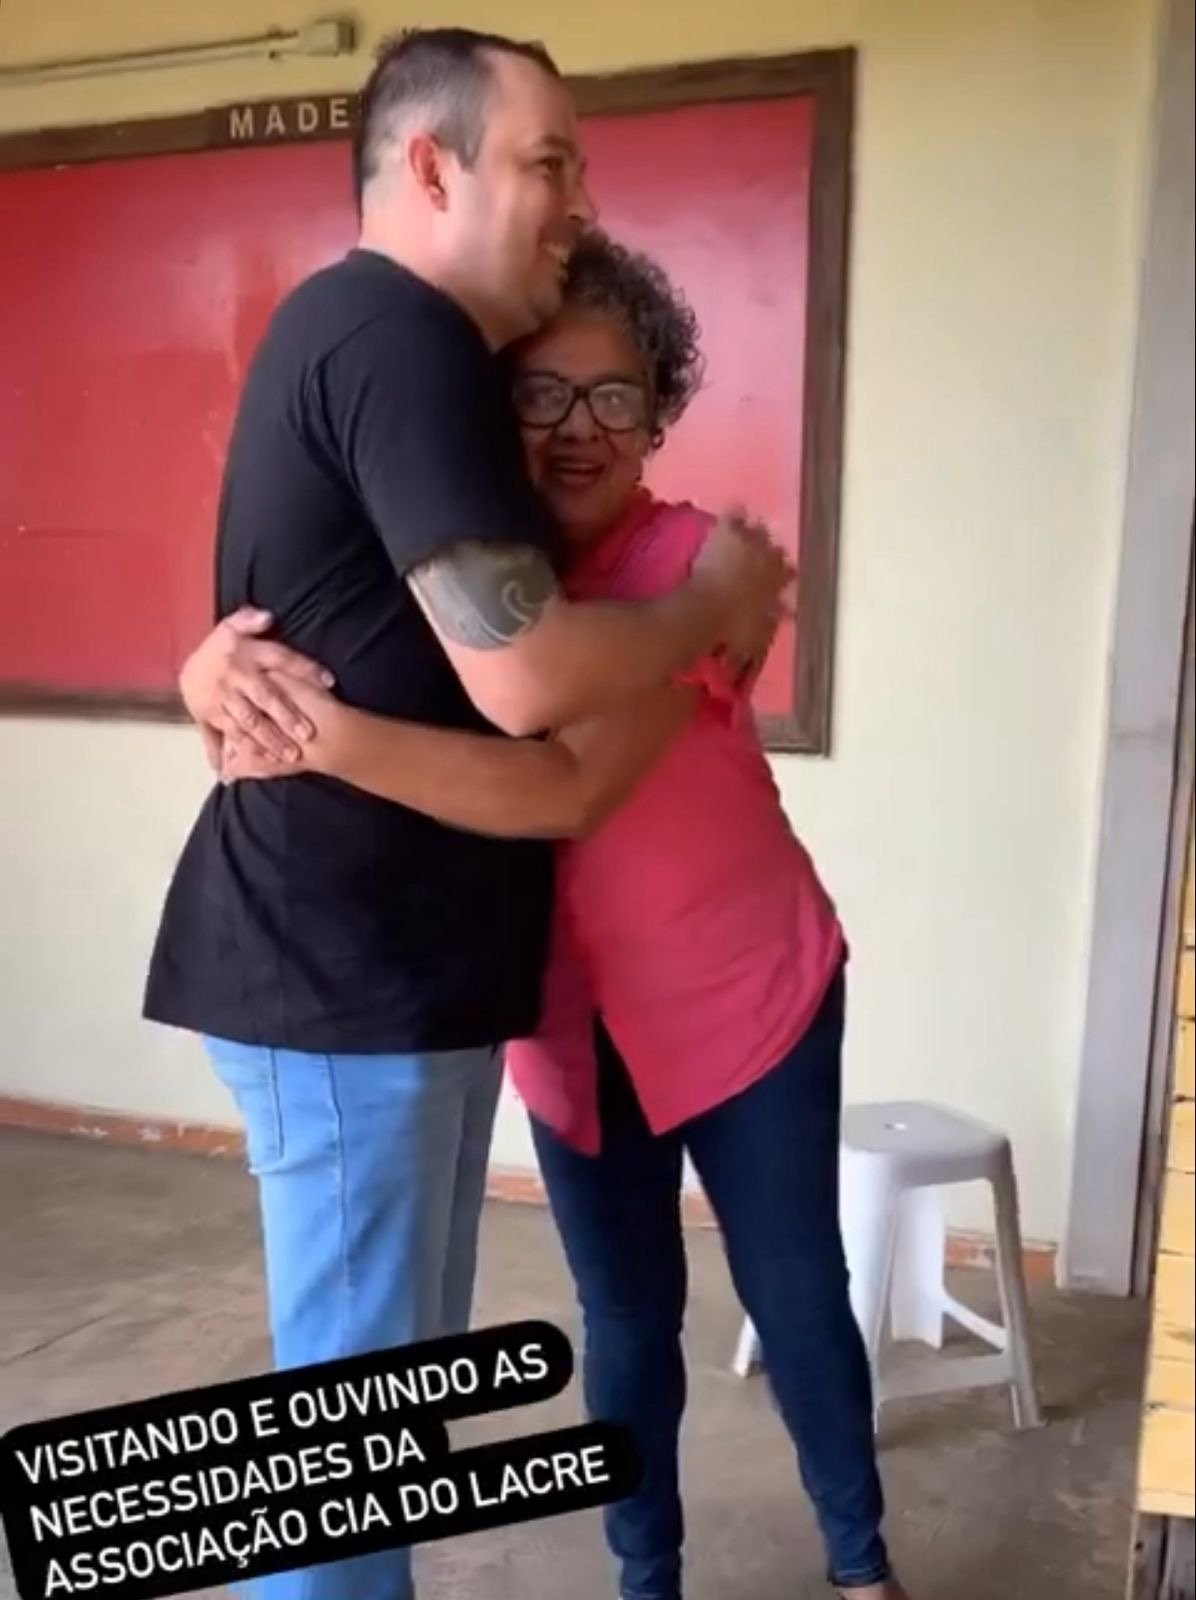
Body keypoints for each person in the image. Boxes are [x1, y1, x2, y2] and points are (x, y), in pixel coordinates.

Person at [143, 29, 790, 1600]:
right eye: (548, 160)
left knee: (379, 1422)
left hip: (401, 978)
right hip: (340, 971)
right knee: (349, 1450)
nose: (578, 198)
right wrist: (706, 608)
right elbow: (527, 676)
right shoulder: (395, 331)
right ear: (432, 166)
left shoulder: (407, 351)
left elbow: (341, 614)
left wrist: (206, 671)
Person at [189, 234, 909, 1600]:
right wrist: (209, 678)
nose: (582, 429)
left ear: (657, 412)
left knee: (795, 1293)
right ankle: (646, 1580)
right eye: (543, 394)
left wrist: (310, 734)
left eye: (617, 395)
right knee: (624, 1321)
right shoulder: (458, 593)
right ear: (492, 414)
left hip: (747, 998)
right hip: (571, 1025)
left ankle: (862, 1567)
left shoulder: (688, 568)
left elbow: (570, 786)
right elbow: (303, 661)